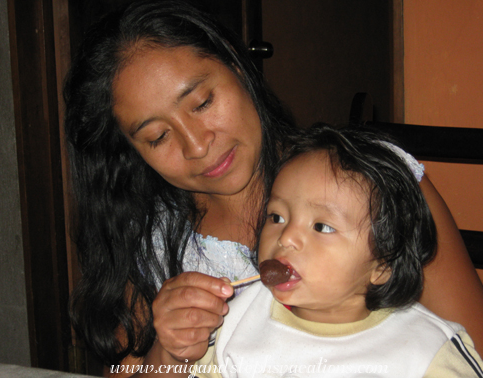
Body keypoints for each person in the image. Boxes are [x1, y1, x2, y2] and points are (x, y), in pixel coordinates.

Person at [63, 0, 483, 376]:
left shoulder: (370, 185)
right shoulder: (152, 241)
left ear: (237, 64)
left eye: (203, 103)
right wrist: (167, 353)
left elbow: (474, 349)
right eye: (157, 137)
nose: (197, 145)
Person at [194, 125, 483, 378]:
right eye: (276, 217)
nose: (287, 237)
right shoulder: (235, 322)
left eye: (321, 226)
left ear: (382, 266)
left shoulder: (426, 351)